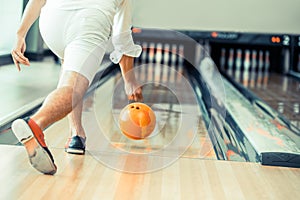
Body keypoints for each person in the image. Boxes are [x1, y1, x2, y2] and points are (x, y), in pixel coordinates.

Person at [11, 0, 143, 175]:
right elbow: (122, 37)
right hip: (89, 21)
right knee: (74, 87)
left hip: (52, 20)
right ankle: (35, 123)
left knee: (70, 72)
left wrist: (20, 34)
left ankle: (76, 135)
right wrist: (129, 80)